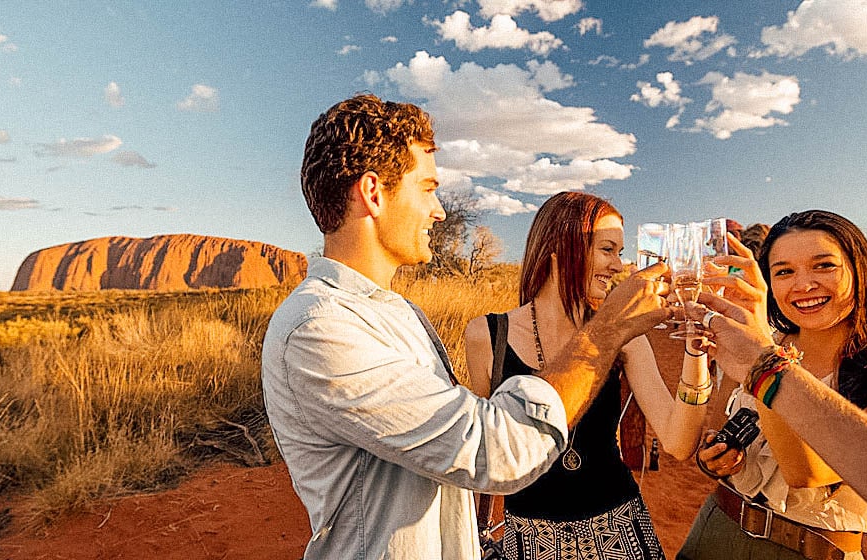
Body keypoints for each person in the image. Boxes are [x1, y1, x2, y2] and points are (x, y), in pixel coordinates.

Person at [261, 94, 672, 560]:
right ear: (373, 193)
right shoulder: (320, 328)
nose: (438, 210)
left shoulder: (397, 315)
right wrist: (607, 330)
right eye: (427, 188)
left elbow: (447, 451)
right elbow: (495, 450)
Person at [464, 192, 710, 560]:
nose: (619, 266)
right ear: (560, 245)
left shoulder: (624, 334)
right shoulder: (487, 336)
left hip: (620, 534)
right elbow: (483, 453)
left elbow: (678, 440)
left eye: (620, 252)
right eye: (607, 249)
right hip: (527, 543)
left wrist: (695, 351)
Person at [677, 210, 867, 560]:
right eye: (784, 272)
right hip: (714, 531)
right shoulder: (764, 341)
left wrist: (764, 356)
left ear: (861, 269)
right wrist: (716, 459)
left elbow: (806, 473)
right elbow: (721, 427)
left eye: (824, 266)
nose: (803, 285)